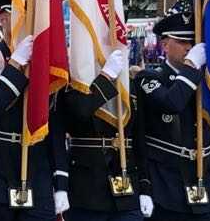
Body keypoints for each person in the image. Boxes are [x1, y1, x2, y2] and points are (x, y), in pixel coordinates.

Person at [0, 0, 67, 221]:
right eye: (22, 16)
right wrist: (15, 65)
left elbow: (54, 125)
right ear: (3, 18)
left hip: (38, 173)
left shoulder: (45, 64)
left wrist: (60, 180)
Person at [134, 13, 210, 221]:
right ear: (165, 45)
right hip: (167, 184)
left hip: (205, 183)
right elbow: (171, 103)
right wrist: (191, 67)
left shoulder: (206, 82)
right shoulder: (149, 77)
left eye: (193, 42)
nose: (189, 47)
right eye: (183, 41)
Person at [54, 45, 150, 221]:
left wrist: (145, 186)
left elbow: (139, 139)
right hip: (87, 191)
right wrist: (105, 77)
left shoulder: (128, 86)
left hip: (126, 187)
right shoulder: (71, 85)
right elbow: (81, 111)